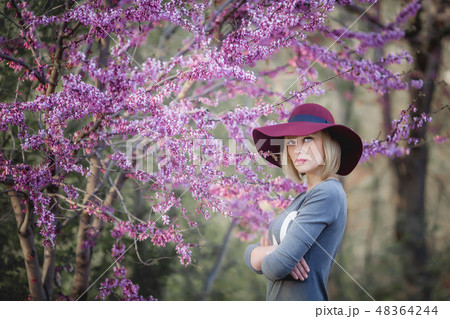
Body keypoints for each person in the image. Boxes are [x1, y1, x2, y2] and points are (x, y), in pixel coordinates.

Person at [243, 103, 363, 301]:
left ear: (329, 143)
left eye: (308, 139)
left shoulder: (328, 193)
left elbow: (277, 267)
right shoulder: (300, 200)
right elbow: (250, 254)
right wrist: (274, 250)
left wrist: (272, 255)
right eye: (291, 141)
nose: (298, 149)